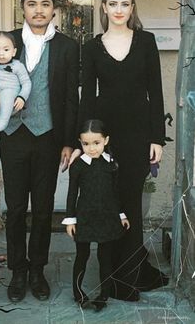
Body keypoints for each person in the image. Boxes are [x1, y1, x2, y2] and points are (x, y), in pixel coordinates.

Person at [0, 0, 79, 303]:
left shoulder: (68, 47)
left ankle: (37, 270)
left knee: (43, 209)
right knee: (16, 209)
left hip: (48, 137)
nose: (39, 10)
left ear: (54, 9)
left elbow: (72, 98)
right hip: (13, 137)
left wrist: (69, 142)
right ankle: (18, 270)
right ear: (23, 8)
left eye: (45, 4)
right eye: (32, 4)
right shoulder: (8, 41)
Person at [72, 0, 168, 301]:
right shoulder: (92, 45)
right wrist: (81, 141)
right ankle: (108, 278)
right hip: (104, 136)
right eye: (112, 4)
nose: (118, 10)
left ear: (132, 8)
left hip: (138, 135)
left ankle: (129, 277)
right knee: (107, 205)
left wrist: (157, 138)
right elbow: (87, 98)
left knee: (130, 207)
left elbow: (156, 92)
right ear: (103, 8)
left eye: (124, 4)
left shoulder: (146, 41)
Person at [62, 119, 130, 311]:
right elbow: (71, 193)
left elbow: (116, 193)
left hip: (107, 217)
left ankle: (104, 295)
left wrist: (121, 215)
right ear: (80, 142)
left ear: (105, 140)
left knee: (104, 257)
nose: (91, 148)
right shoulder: (78, 166)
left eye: (96, 143)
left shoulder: (111, 164)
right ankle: (78, 293)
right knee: (81, 255)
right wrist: (70, 219)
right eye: (85, 144)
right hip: (85, 218)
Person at [0, 31, 31, 134]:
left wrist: (22, 97)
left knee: (6, 93)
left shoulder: (18, 66)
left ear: (13, 52)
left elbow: (26, 83)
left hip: (12, 97)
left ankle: (3, 120)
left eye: (6, 49)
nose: (2, 53)